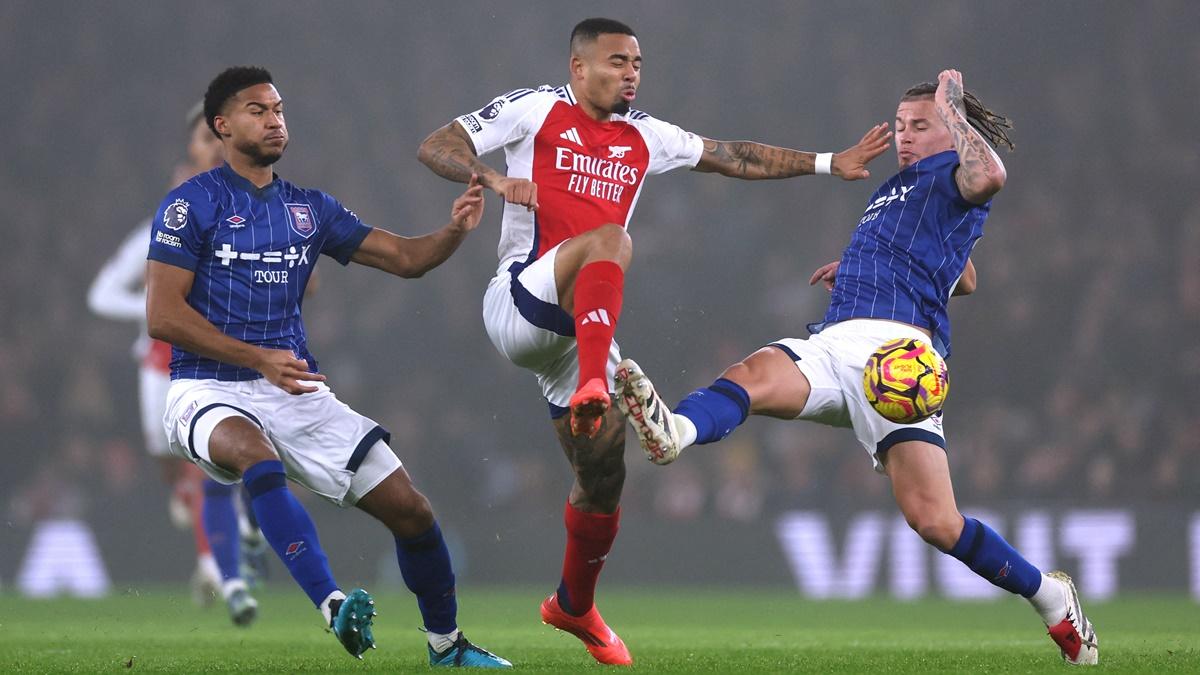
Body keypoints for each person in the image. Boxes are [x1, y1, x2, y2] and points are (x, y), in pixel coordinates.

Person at [417, 17, 891, 666]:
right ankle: (592, 380)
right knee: (613, 239)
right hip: (520, 301)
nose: (632, 72)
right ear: (579, 68)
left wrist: (828, 162)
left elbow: (732, 155)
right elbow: (438, 145)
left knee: (603, 474)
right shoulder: (535, 109)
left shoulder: (648, 136)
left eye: (638, 62)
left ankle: (574, 603)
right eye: (617, 61)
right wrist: (494, 181)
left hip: (582, 331)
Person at [614, 69, 1099, 666]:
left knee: (936, 522)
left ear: (953, 132)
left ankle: (1050, 596)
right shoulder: (900, 191)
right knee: (753, 372)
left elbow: (991, 175)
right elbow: (962, 275)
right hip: (838, 339)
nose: (905, 136)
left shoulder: (955, 172)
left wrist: (954, 105)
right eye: (900, 125)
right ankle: (674, 433)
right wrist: (867, 264)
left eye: (921, 126)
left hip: (898, 360)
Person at [145, 66, 510, 668]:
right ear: (222, 124)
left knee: (412, 510)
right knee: (255, 454)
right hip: (206, 387)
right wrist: (256, 357)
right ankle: (331, 603)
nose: (274, 119)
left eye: (279, 109)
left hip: (293, 388)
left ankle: (447, 646)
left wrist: (454, 230)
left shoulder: (308, 210)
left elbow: (405, 258)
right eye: (258, 109)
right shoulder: (190, 205)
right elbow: (162, 315)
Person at [88, 102, 264, 624]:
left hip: (212, 361)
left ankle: (217, 561)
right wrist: (150, 312)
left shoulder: (245, 216)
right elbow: (101, 294)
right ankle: (210, 524)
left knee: (209, 457)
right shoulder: (157, 226)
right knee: (167, 454)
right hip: (158, 361)